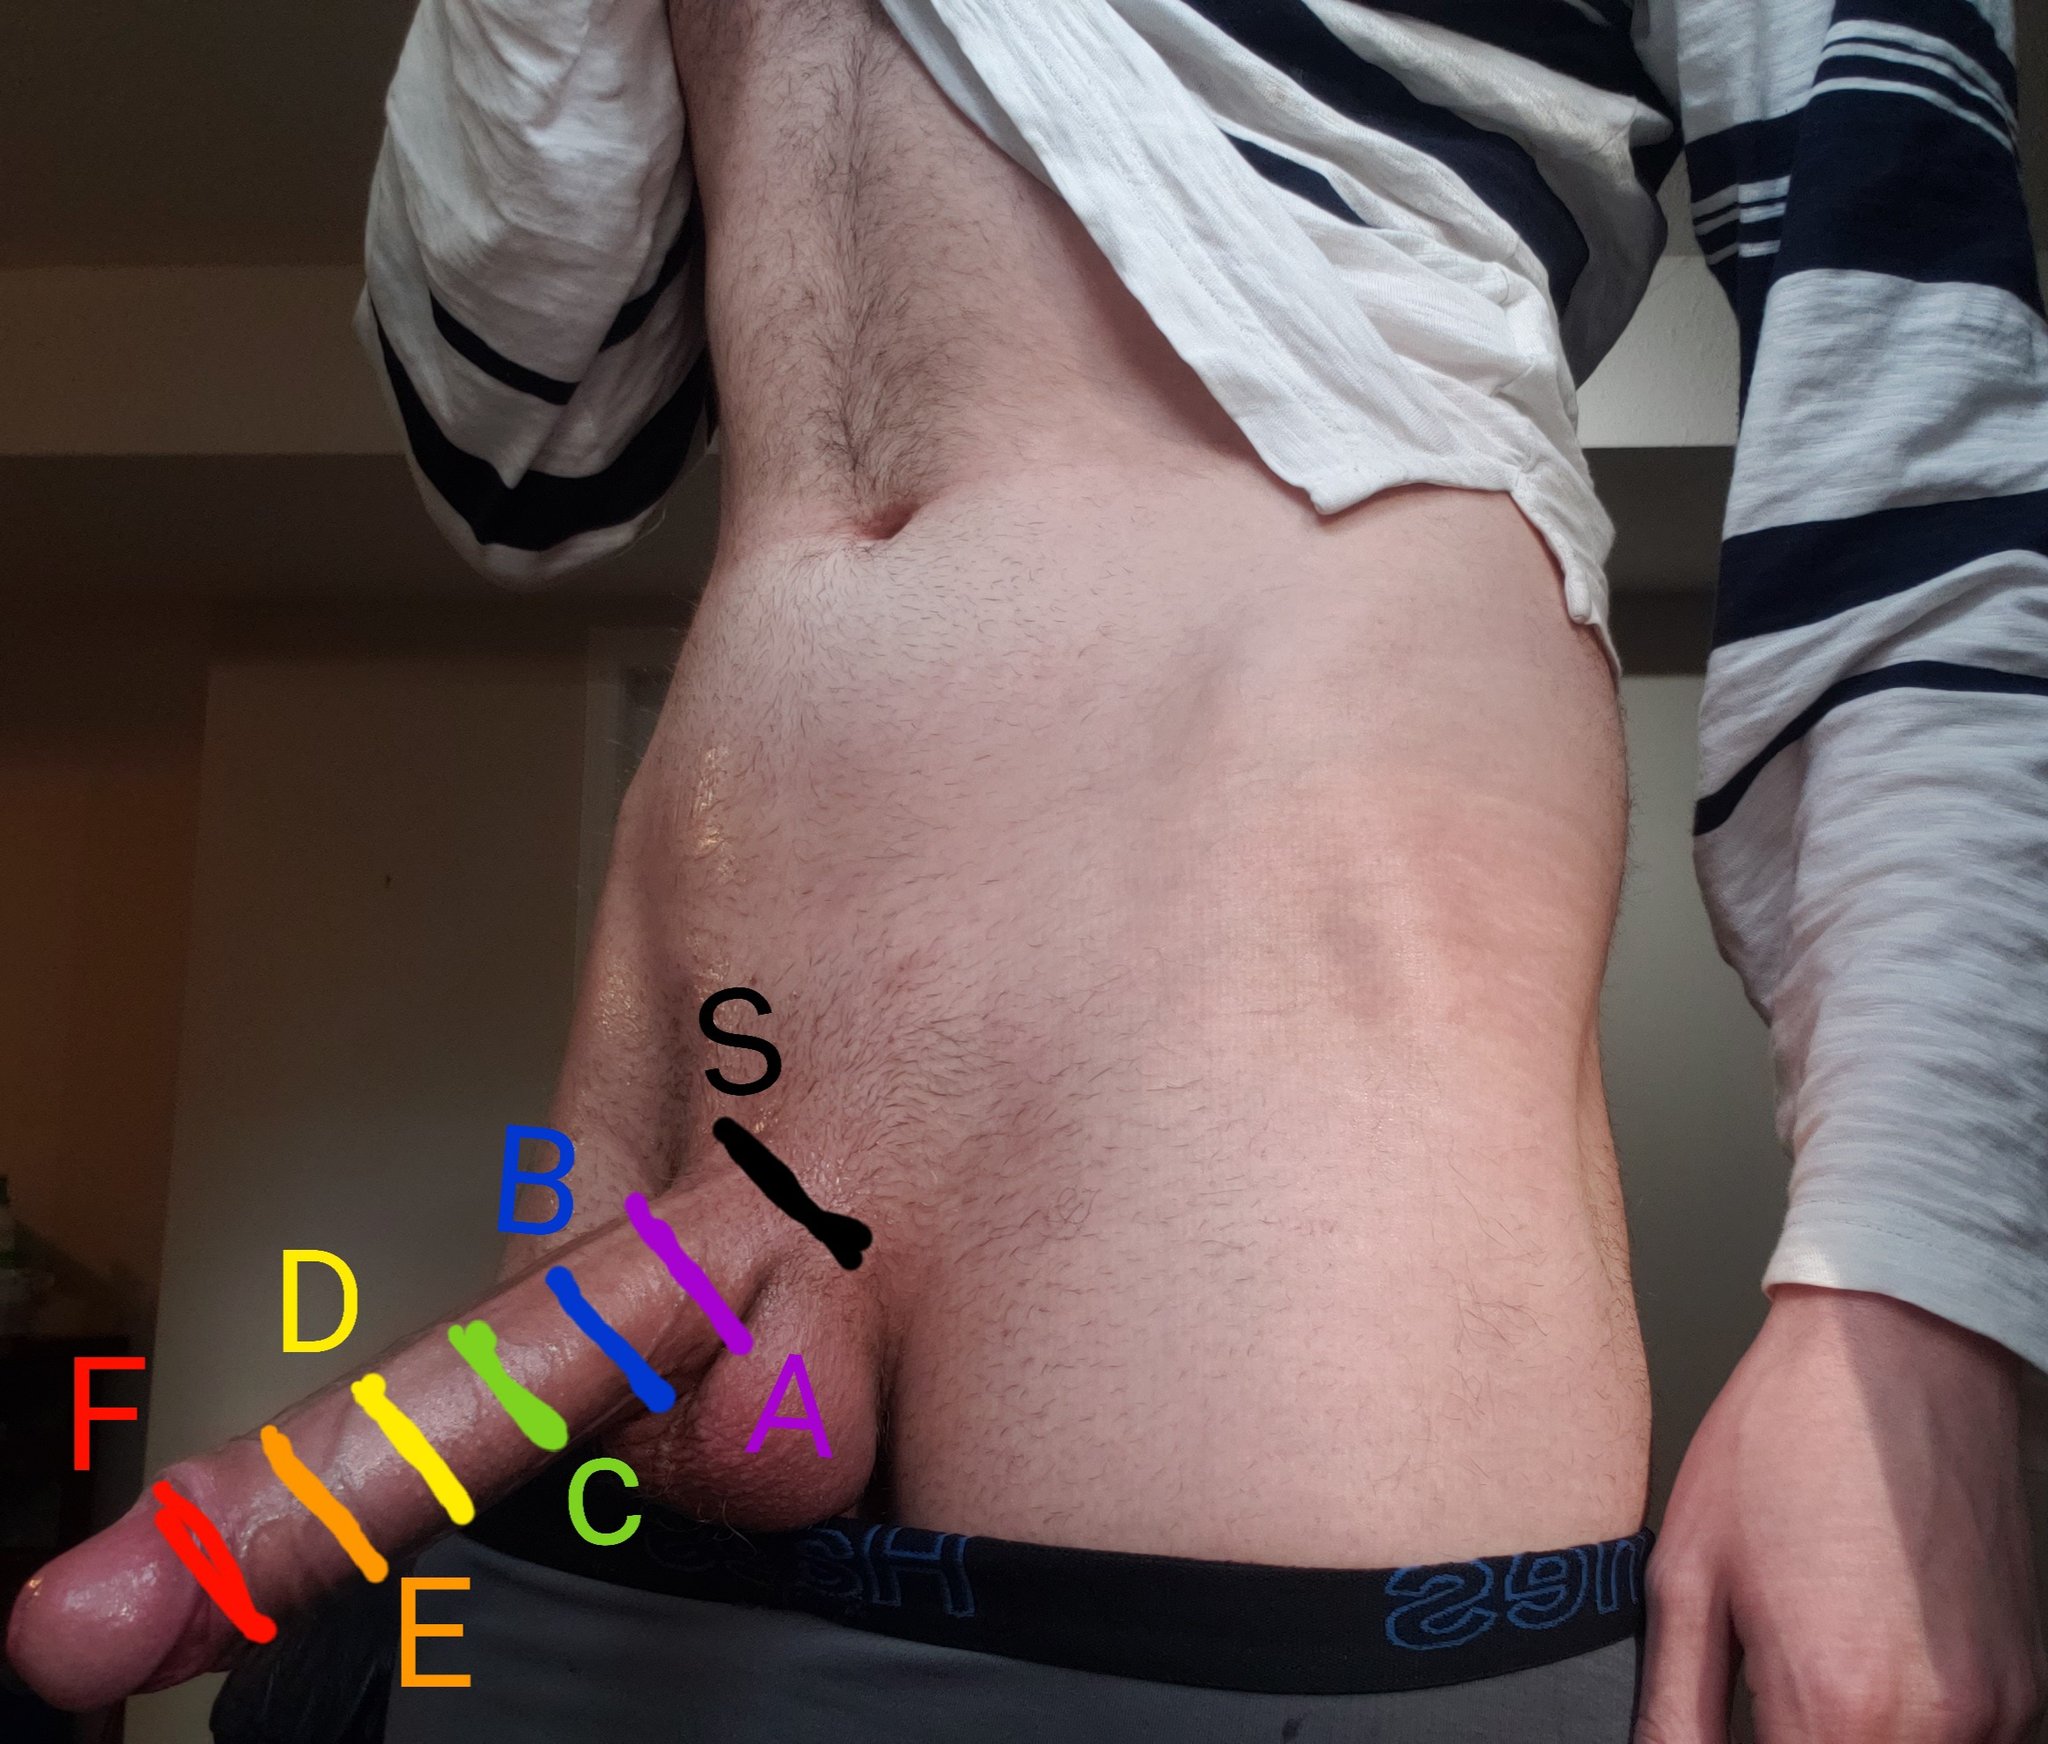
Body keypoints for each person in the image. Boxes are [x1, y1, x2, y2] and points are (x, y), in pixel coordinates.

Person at [11, 0, 2047, 1738]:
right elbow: (513, 442)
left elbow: (1922, 433)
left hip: (1254, 1324)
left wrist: (1915, 1312)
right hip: (635, 1319)